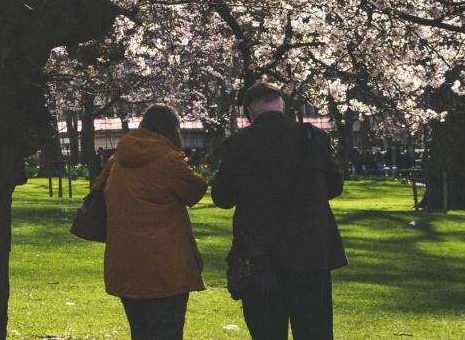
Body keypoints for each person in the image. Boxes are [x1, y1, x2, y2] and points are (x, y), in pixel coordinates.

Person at [212, 83, 346, 340]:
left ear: (249, 110)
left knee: (267, 331)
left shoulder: (239, 144)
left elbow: (222, 198)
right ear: (282, 104)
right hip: (310, 253)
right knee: (314, 330)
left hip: (259, 254)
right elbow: (334, 186)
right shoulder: (313, 138)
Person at [92, 104, 206, 339]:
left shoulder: (117, 160)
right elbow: (196, 190)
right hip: (166, 265)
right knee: (167, 331)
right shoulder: (170, 161)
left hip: (126, 262)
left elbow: (97, 193)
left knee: (140, 332)